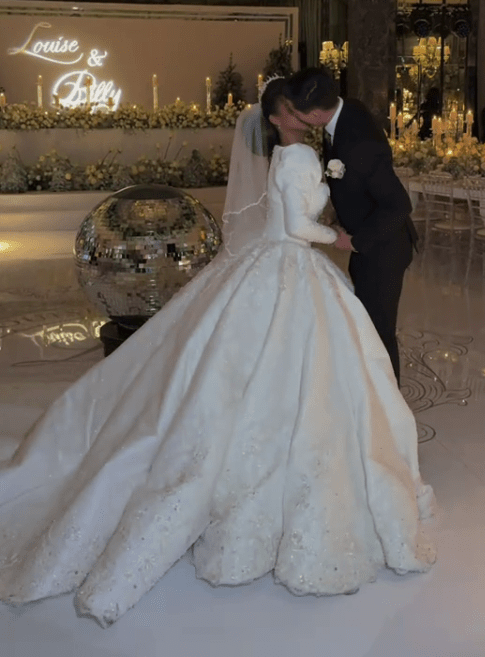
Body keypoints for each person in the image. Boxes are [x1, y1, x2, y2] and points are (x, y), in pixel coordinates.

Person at [0, 78, 434, 627]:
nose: (305, 116)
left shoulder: (288, 153)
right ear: (281, 116)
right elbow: (300, 227)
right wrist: (339, 240)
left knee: (242, 363)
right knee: (322, 360)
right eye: (296, 110)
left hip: (273, 263)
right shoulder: (300, 156)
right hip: (298, 263)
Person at [284, 68, 418, 386]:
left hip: (383, 247)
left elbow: (399, 205)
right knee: (367, 326)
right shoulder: (347, 111)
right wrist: (337, 212)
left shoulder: (359, 143)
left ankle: (390, 406)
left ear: (316, 114)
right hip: (369, 241)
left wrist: (356, 242)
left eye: (295, 112)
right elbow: (353, 184)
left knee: (378, 330)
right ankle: (374, 397)